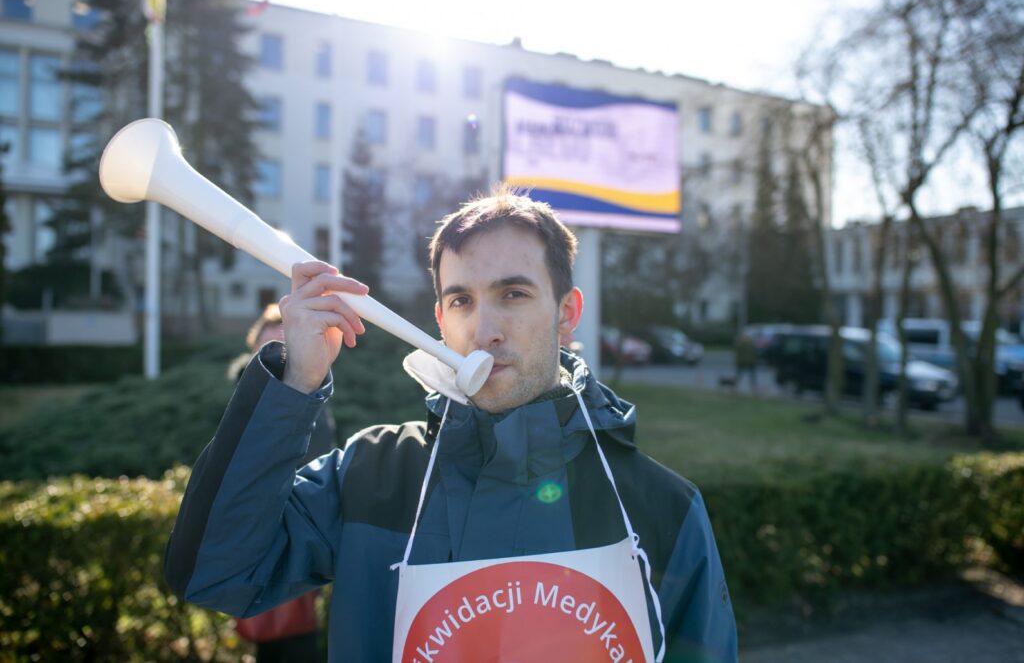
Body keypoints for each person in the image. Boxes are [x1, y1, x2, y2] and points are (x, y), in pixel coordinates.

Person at [164, 186, 737, 662]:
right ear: (440, 321)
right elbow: (218, 573)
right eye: (461, 301)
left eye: (513, 293)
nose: (484, 328)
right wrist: (295, 385)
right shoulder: (369, 477)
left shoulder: (663, 510)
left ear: (566, 313)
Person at [227, 304, 339, 661]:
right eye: (267, 343)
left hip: (296, 519)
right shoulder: (245, 393)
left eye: (282, 341)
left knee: (295, 626)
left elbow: (321, 451)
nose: (275, 350)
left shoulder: (311, 394)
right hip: (255, 521)